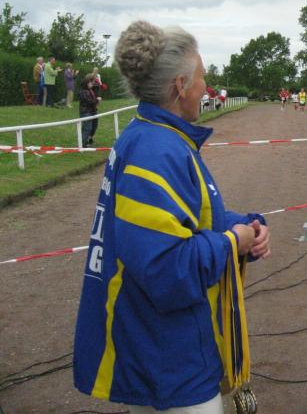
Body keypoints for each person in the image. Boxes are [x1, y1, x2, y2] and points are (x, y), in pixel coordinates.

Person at [73, 20, 271, 413]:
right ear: (180, 85)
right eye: (202, 77)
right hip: (169, 360)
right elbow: (167, 270)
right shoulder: (156, 150)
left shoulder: (154, 136)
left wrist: (245, 224)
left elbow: (188, 219)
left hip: (161, 348)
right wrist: (233, 242)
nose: (207, 88)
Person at [78, 73, 102, 145]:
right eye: (91, 82)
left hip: (93, 111)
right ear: (87, 82)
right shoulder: (83, 91)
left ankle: (89, 139)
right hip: (86, 112)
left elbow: (93, 100)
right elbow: (88, 101)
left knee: (94, 126)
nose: (93, 83)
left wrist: (97, 101)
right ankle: (82, 144)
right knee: (87, 128)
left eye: (93, 82)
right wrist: (97, 100)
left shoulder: (90, 90)